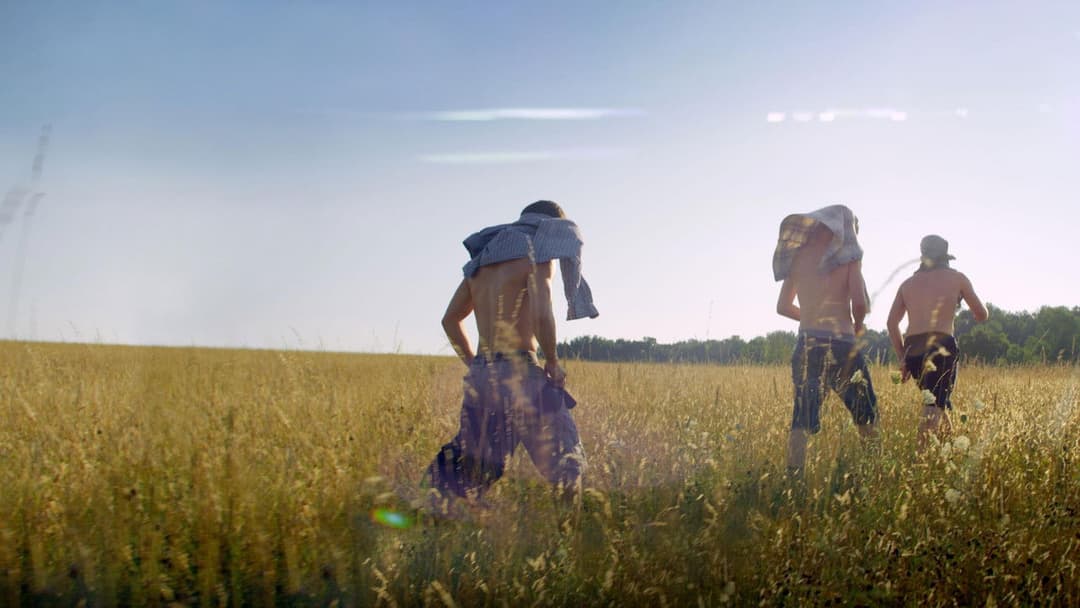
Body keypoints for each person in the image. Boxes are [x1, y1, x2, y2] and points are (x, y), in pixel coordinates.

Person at [425, 200, 598, 512]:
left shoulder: (482, 262)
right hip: (523, 373)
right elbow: (542, 312)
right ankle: (569, 536)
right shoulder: (538, 255)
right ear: (553, 230)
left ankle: (434, 515)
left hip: (483, 374)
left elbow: (450, 320)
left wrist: (474, 363)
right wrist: (553, 362)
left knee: (474, 466)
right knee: (567, 464)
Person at [773, 204, 878, 475]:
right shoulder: (848, 258)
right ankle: (875, 474)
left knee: (801, 417)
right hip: (842, 343)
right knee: (865, 412)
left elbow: (783, 307)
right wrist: (857, 327)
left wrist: (812, 317)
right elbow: (859, 304)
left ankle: (794, 480)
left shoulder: (798, 258)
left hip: (808, 343)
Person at [886, 235, 988, 450]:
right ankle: (919, 458)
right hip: (941, 346)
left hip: (913, 348)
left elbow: (891, 322)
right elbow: (981, 314)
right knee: (934, 404)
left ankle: (951, 451)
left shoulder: (907, 284)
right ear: (945, 257)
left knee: (938, 401)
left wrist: (903, 358)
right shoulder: (957, 278)